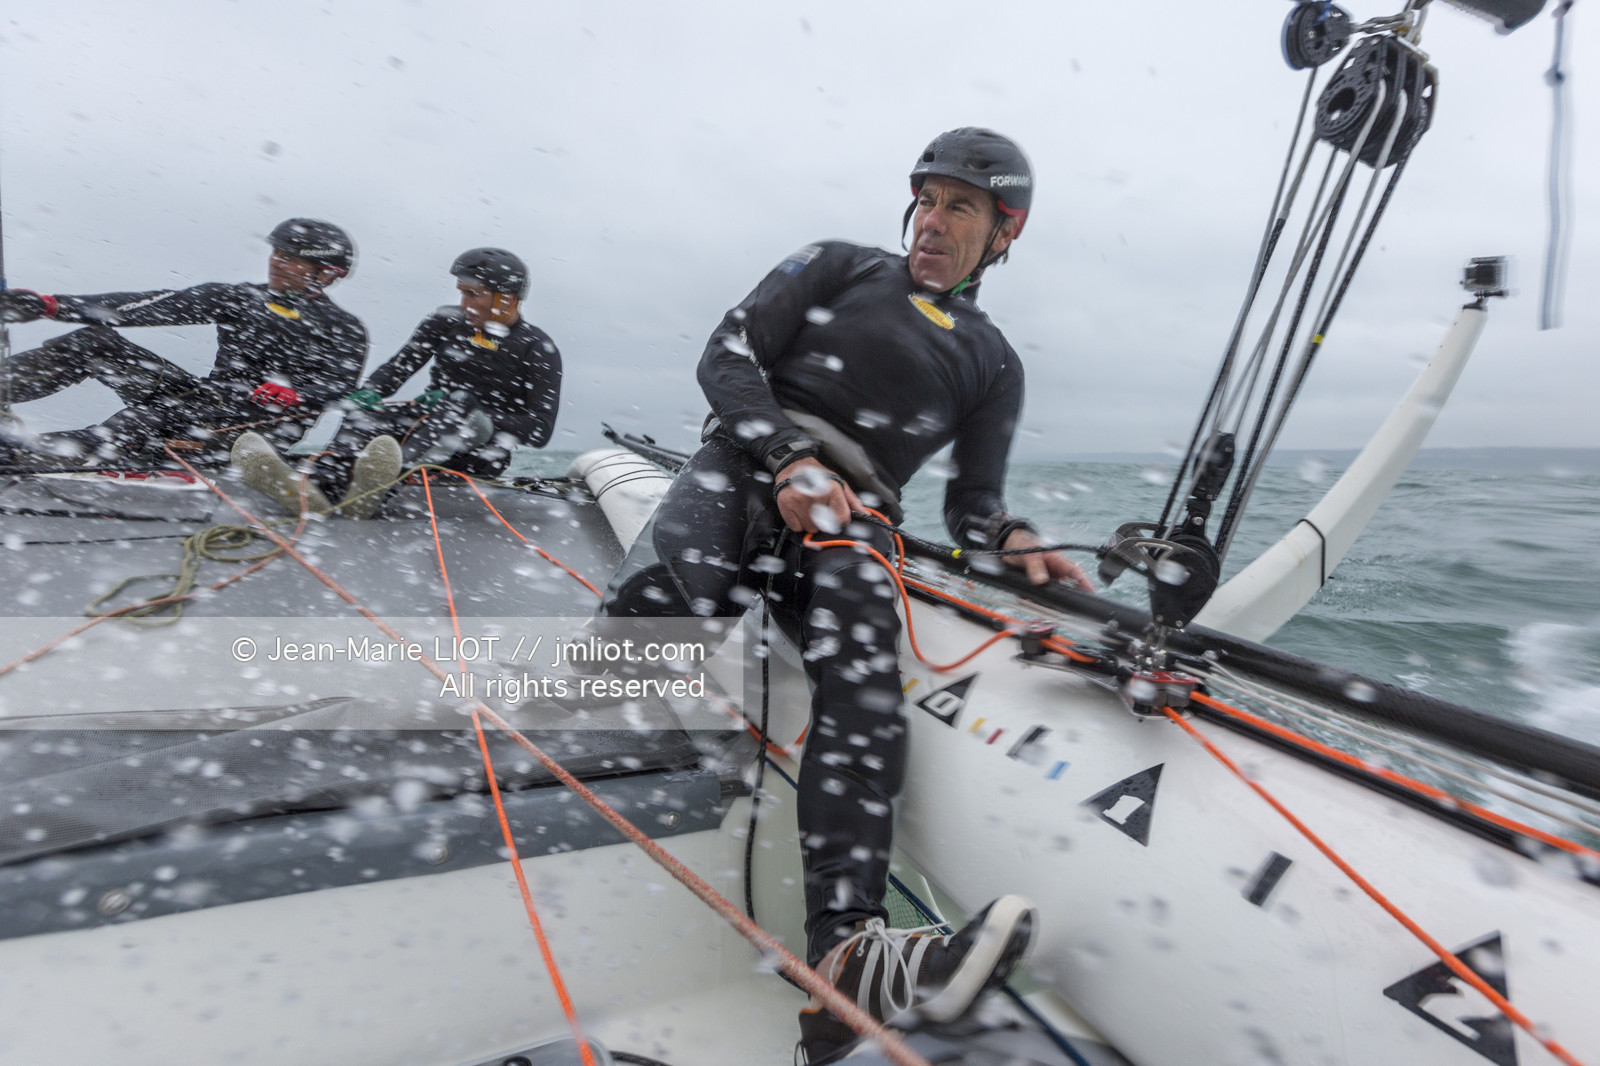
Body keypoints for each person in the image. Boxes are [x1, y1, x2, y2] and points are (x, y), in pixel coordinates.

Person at [596, 128, 1094, 1061]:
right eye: (928, 200)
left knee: (866, 690)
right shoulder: (839, 264)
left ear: (1004, 234)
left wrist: (1014, 537)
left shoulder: (993, 362)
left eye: (963, 209)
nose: (935, 224)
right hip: (749, 462)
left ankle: (848, 959)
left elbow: (973, 506)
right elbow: (727, 353)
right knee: (635, 643)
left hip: (855, 522)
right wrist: (787, 457)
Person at [0, 218, 367, 468]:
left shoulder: (346, 328)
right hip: (205, 400)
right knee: (94, 342)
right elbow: (147, 306)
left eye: (290, 258)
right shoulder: (240, 297)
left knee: (139, 421)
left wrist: (298, 393)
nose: (277, 262)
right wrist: (51, 305)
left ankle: (23, 454)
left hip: (257, 429)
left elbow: (340, 388)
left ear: (327, 274)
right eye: (277, 253)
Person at [231, 247, 561, 517]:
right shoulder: (445, 323)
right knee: (369, 414)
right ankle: (320, 486)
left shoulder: (537, 348)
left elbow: (540, 431)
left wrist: (481, 416)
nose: (464, 304)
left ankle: (377, 491)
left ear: (507, 299)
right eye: (462, 293)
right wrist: (369, 393)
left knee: (459, 404)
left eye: (474, 295)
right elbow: (399, 368)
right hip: (425, 425)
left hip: (480, 452)